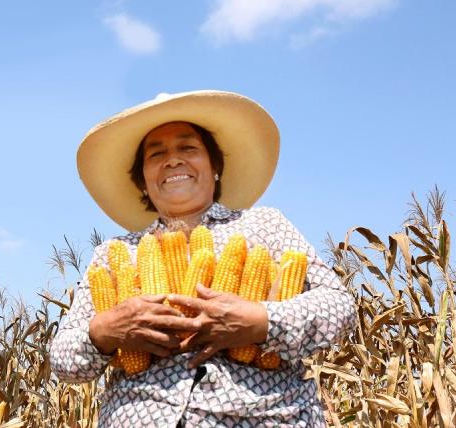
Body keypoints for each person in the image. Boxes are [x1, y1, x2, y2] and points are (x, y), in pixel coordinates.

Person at [49, 90, 356, 427]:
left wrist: (259, 321)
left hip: (259, 415)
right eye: (156, 154)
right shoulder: (113, 254)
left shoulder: (264, 225)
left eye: (188, 148)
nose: (173, 160)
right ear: (143, 180)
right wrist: (106, 330)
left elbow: (339, 308)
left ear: (215, 167)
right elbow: (64, 362)